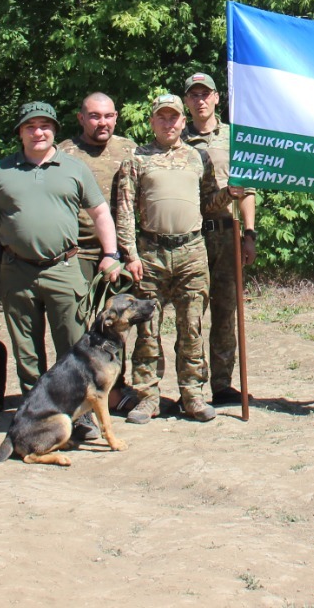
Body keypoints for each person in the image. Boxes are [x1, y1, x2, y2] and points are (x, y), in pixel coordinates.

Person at [0, 101, 123, 396]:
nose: (38, 132)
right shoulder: (0, 171)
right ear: (20, 133)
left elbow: (101, 213)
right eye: (30, 127)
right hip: (17, 271)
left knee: (75, 346)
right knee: (27, 350)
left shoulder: (74, 168)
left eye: (45, 126)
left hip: (63, 269)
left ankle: (77, 412)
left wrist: (110, 255)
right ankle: (35, 410)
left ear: (54, 130)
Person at [116, 93, 236, 423]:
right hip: (151, 253)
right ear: (152, 121)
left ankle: (193, 394)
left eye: (174, 117)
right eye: (162, 117)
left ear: (183, 122)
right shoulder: (137, 160)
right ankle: (147, 396)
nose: (168, 123)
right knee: (147, 328)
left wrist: (232, 193)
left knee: (192, 327)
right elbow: (125, 211)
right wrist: (130, 254)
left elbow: (209, 203)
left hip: (192, 252)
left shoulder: (199, 158)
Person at [182, 72, 257, 406]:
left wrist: (250, 234)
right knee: (192, 314)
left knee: (226, 313)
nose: (200, 100)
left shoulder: (233, 138)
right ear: (187, 101)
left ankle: (223, 385)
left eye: (205, 94)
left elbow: (248, 190)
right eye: (193, 95)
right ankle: (193, 386)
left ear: (216, 98)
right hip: (192, 237)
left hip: (228, 234)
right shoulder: (177, 140)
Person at [56, 92, 137, 311]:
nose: (103, 122)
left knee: (114, 328)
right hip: (77, 253)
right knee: (76, 325)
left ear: (116, 117)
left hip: (119, 253)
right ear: (81, 118)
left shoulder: (130, 150)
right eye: (95, 116)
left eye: (108, 116)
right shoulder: (63, 153)